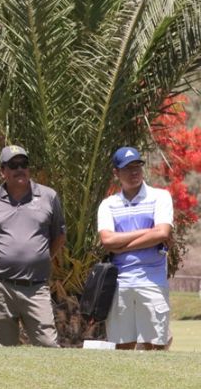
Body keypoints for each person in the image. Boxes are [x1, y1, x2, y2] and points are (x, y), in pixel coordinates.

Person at [0, 145, 66, 347]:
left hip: (36, 286)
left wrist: (41, 258)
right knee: (4, 352)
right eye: (13, 165)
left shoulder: (49, 197)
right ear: (2, 171)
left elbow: (59, 236)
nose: (20, 169)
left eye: (24, 164)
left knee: (48, 345)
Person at [97, 146, 173, 350]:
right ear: (116, 173)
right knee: (122, 346)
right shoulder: (108, 204)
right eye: (127, 168)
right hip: (120, 282)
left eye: (137, 166)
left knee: (154, 347)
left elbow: (162, 233)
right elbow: (107, 240)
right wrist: (148, 232)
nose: (134, 172)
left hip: (152, 281)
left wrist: (122, 247)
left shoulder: (160, 197)